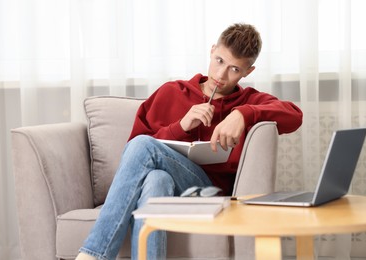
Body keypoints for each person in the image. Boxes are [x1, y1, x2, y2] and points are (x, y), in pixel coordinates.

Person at [76, 23, 303, 260]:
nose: (221, 75)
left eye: (235, 69)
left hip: (209, 192)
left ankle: (94, 255)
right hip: (166, 185)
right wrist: (181, 126)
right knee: (156, 177)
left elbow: (295, 116)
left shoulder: (249, 100)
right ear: (212, 50)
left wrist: (243, 114)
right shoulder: (172, 92)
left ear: (248, 71)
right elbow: (133, 150)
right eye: (219, 60)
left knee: (146, 148)